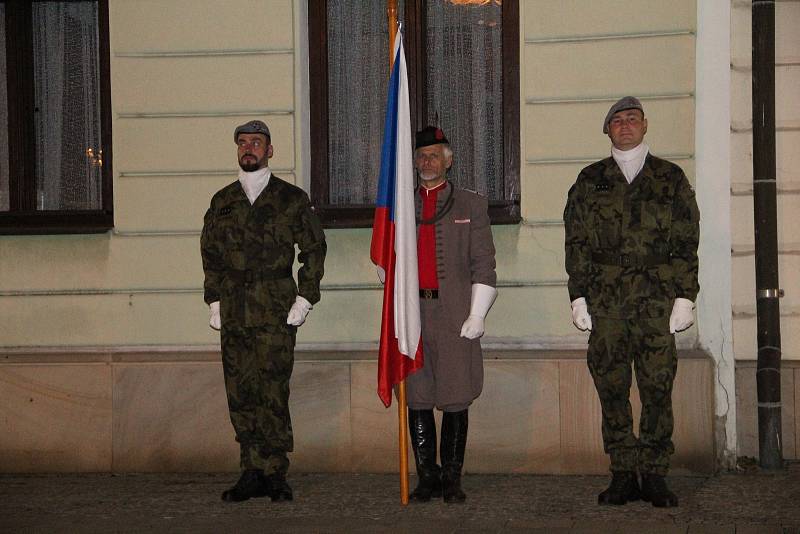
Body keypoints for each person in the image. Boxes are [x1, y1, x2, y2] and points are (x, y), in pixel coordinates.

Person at [563, 97, 700, 508]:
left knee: (658, 387)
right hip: (606, 304)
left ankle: (655, 473)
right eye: (617, 121)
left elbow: (686, 242)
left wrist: (685, 297)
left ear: (645, 125)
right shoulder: (590, 180)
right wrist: (579, 296)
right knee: (612, 387)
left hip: (657, 302)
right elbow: (577, 242)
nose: (625, 125)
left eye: (632, 119)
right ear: (608, 130)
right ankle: (623, 472)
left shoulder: (670, 177)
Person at [200, 120, 326, 503]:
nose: (248, 148)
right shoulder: (223, 201)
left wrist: (305, 298)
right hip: (235, 309)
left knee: (273, 390)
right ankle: (250, 470)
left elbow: (314, 249)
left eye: (256, 142)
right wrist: (215, 301)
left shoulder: (291, 199)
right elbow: (210, 255)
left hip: (274, 309)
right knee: (240, 392)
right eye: (242, 143)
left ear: (270, 150)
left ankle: (274, 472)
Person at [405, 126, 497, 504]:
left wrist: (477, 315)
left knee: (456, 395)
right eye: (422, 156)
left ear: (449, 159)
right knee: (418, 395)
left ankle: (452, 478)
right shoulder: (401, 204)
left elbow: (484, 264)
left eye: (434, 155)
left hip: (455, 312)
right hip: (412, 314)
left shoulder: (470, 205)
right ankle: (427, 477)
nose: (427, 161)